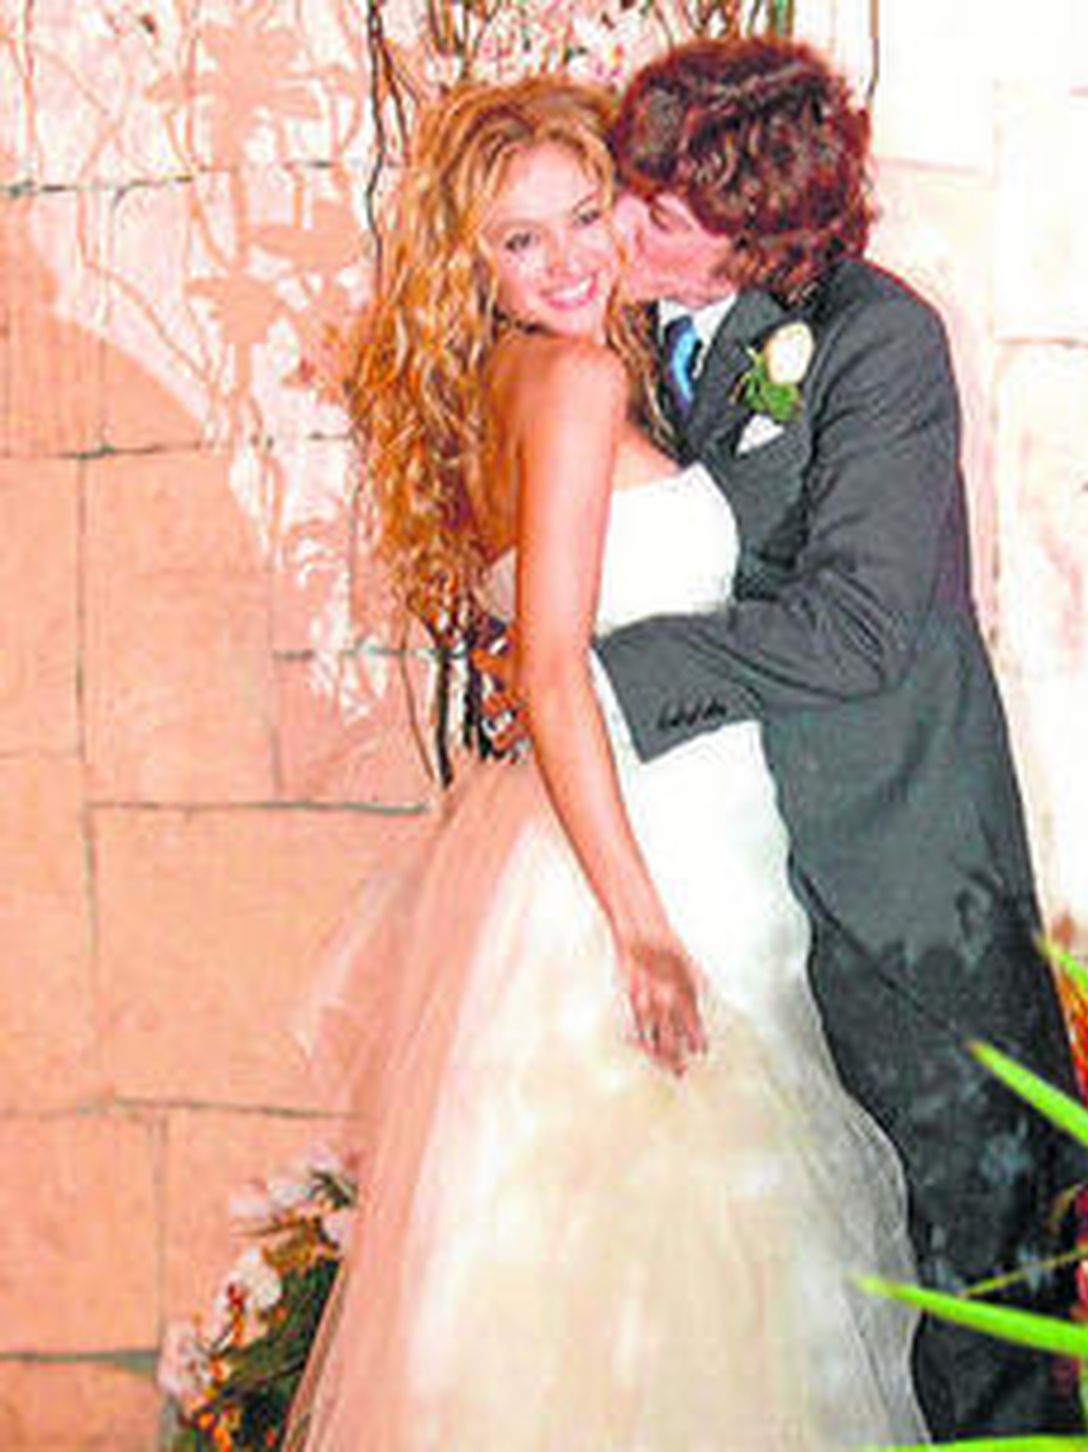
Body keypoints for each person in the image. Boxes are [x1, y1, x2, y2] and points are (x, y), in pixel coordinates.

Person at [286, 75, 926, 1449]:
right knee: (685, 1288)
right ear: (471, 260)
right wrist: (642, 930)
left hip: (601, 835)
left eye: (588, 215)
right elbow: (551, 667)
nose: (571, 258)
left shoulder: (507, 383)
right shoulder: (576, 382)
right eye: (522, 240)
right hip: (644, 855)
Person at [590, 37, 1088, 1438]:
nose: (619, 228)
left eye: (661, 213)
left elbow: (861, 628)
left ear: (760, 232)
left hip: (897, 885)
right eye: (626, 187)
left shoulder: (881, 342)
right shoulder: (612, 339)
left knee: (981, 1310)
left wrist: (601, 672)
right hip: (721, 887)